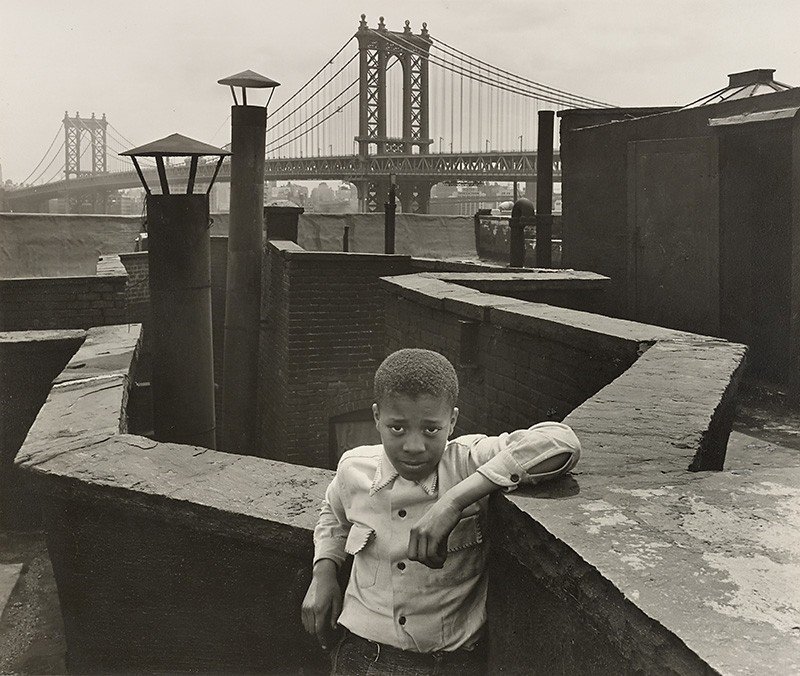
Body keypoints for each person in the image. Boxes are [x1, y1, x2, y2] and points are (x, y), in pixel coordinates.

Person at [302, 348, 581, 675]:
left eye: (431, 429)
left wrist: (455, 501)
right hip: (362, 658)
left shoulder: (467, 462)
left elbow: (562, 442)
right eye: (397, 428)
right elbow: (333, 516)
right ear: (376, 417)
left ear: (452, 420)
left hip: (450, 665)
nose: (414, 446)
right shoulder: (354, 469)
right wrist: (323, 572)